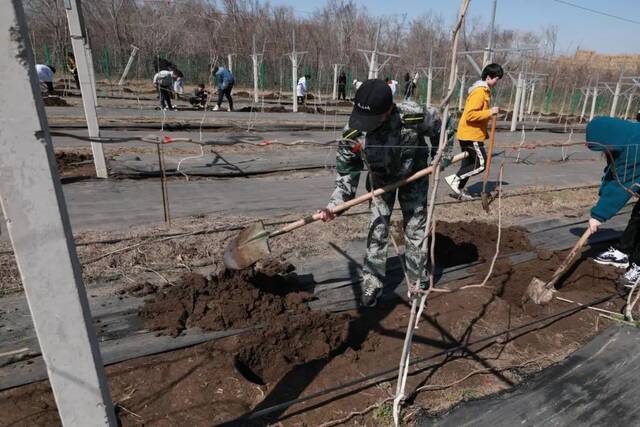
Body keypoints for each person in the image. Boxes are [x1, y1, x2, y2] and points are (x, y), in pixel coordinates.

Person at [317, 79, 443, 307]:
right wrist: (335, 206)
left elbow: (442, 128)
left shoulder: (412, 115)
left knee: (415, 229)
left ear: (387, 111)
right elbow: (347, 174)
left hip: (413, 176)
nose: (366, 125)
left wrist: (438, 157)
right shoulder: (353, 133)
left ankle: (418, 282)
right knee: (377, 230)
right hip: (380, 181)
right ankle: (372, 283)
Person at [586, 116, 640, 285]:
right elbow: (613, 172)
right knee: (638, 214)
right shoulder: (625, 138)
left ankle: (638, 267)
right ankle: (624, 251)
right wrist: (602, 198)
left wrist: (598, 215)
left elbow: (621, 184)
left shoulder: (635, 146)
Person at [444, 63, 503, 200]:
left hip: (471, 134)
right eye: (496, 79)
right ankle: (455, 180)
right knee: (480, 164)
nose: (496, 82)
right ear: (488, 77)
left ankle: (457, 190)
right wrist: (490, 112)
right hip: (471, 136)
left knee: (469, 164)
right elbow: (470, 115)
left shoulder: (484, 91)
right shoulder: (479, 92)